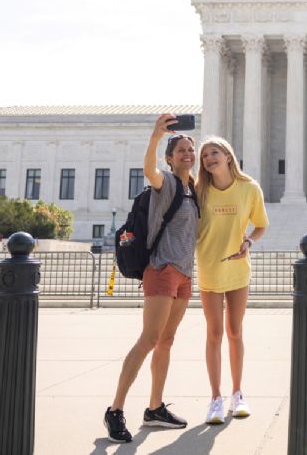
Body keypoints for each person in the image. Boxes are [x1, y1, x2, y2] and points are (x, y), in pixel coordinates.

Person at [103, 114, 200, 443]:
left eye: (191, 149)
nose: (188, 153)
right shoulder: (167, 183)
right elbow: (149, 170)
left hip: (185, 274)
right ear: (171, 158)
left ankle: (155, 407)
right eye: (182, 150)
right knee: (148, 340)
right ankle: (115, 409)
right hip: (161, 270)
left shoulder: (193, 189)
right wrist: (156, 137)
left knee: (166, 342)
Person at [195, 137, 269, 424]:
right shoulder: (198, 191)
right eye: (204, 156)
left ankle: (238, 393)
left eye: (214, 153)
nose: (209, 158)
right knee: (214, 334)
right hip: (209, 268)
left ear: (228, 156)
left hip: (238, 270)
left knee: (235, 332)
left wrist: (248, 241)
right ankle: (215, 398)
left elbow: (261, 225)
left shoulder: (250, 189)